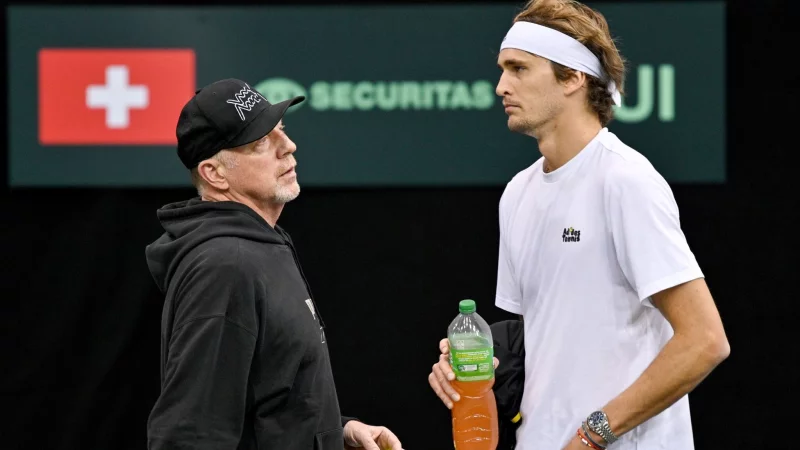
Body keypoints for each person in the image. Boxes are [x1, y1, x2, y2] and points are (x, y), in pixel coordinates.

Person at [428, 1, 730, 449]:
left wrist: (593, 434)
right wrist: (476, 359)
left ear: (572, 78)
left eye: (518, 69)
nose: (500, 86)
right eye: (502, 69)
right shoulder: (517, 193)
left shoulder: (625, 180)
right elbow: (547, 334)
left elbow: (705, 340)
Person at [145, 78, 403, 450]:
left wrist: (336, 431)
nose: (289, 146)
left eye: (280, 129)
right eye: (261, 142)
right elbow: (189, 435)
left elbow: (270, 394)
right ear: (214, 174)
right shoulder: (225, 266)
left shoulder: (261, 245)